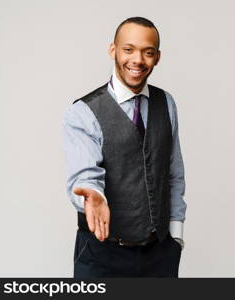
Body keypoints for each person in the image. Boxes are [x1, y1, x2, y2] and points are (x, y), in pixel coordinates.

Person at [62, 16, 187, 278]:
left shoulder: (167, 103)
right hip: (102, 256)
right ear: (113, 50)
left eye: (147, 52)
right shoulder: (83, 112)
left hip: (160, 256)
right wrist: (92, 196)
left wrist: (176, 236)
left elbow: (173, 172)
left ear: (157, 57)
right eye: (128, 49)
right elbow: (84, 175)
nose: (137, 60)